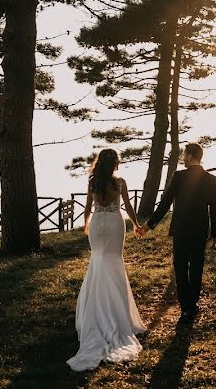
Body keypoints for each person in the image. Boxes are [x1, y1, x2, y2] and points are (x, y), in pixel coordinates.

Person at [67, 149, 146, 372]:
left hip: (97, 224)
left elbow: (87, 207)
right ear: (114, 164)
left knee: (98, 263)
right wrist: (136, 224)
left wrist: (86, 225)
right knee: (114, 263)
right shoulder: (119, 183)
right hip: (114, 223)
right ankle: (118, 314)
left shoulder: (93, 183)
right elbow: (128, 207)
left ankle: (95, 311)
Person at [137, 142, 216, 323]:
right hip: (200, 229)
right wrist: (215, 234)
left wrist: (149, 225)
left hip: (181, 229)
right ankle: (193, 304)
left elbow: (165, 203)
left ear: (190, 156)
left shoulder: (179, 176)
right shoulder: (211, 179)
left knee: (181, 268)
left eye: (184, 155)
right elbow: (214, 208)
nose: (183, 158)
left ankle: (186, 308)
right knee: (197, 267)